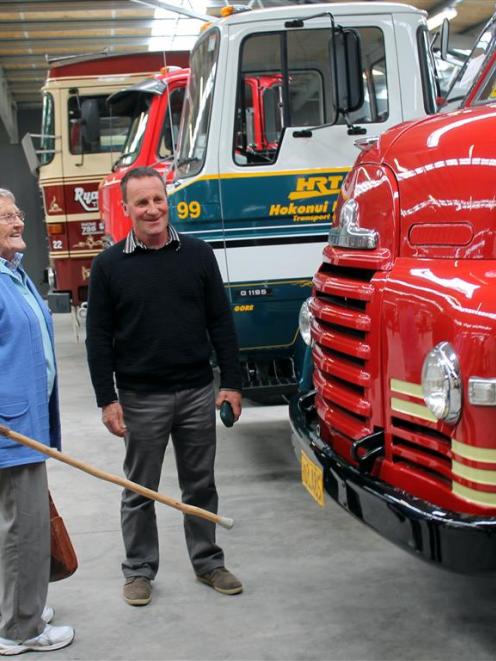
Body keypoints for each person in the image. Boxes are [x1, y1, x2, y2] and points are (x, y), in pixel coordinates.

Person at [85, 166, 243, 606]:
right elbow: (97, 339)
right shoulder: (109, 266)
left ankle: (209, 562)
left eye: (158, 199)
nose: (152, 209)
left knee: (201, 485)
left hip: (195, 392)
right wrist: (107, 400)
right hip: (140, 398)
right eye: (142, 202)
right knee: (140, 489)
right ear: (126, 209)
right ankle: (139, 570)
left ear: (166, 200)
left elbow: (221, 322)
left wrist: (230, 382)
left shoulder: (198, 255)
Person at [0, 188, 75, 655]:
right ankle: (19, 629)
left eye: (17, 213)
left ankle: (19, 605)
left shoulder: (15, 275)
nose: (18, 221)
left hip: (28, 419)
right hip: (10, 427)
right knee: (23, 528)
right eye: (5, 216)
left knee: (18, 523)